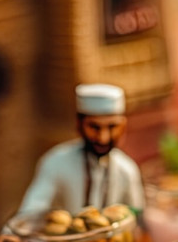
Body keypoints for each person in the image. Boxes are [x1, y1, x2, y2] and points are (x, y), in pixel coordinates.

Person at [17, 83, 144, 216]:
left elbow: (137, 216)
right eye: (94, 128)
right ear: (79, 125)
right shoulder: (55, 163)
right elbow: (31, 210)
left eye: (112, 127)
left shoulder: (127, 170)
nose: (103, 138)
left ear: (123, 126)